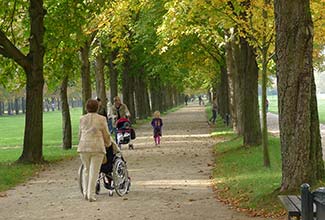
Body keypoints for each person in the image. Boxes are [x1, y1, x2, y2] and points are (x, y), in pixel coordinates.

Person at [77, 99, 111, 202]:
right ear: (97, 107)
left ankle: (85, 192)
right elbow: (106, 133)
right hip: (97, 147)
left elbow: (80, 134)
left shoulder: (82, 119)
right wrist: (108, 144)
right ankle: (90, 194)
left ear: (86, 108)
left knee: (86, 170)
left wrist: (80, 142)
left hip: (83, 147)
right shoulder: (102, 119)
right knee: (94, 171)